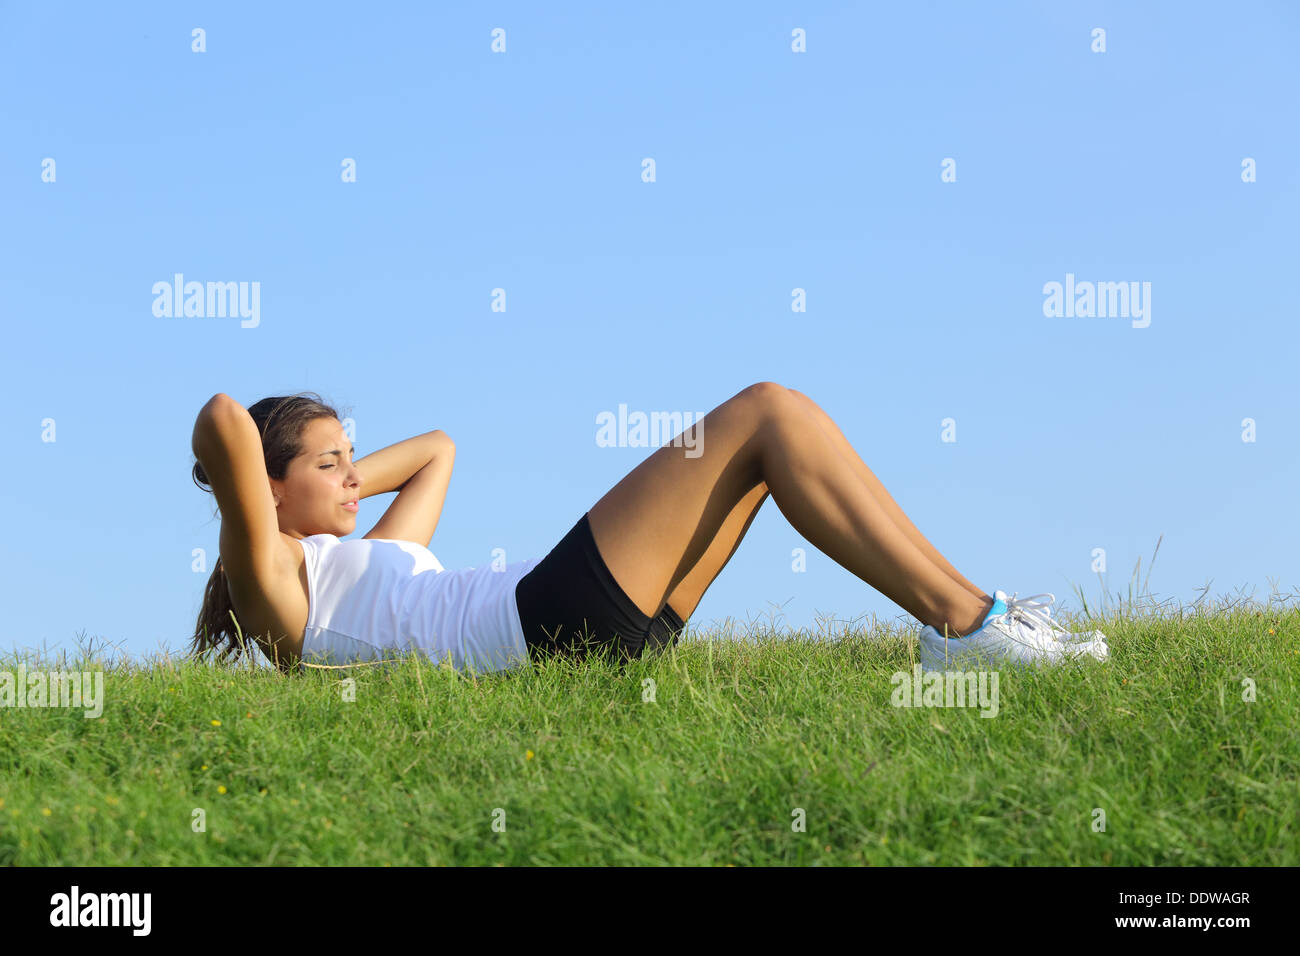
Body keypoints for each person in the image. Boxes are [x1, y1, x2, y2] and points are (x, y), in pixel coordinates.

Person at [189, 383, 1108, 676]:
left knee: (762, 454)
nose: (355, 477)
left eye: (354, 460)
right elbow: (227, 416)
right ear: (262, 494)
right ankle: (967, 627)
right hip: (537, 625)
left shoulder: (360, 562)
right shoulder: (276, 585)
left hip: (566, 627)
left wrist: (330, 471)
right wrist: (255, 502)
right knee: (769, 414)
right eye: (330, 466)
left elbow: (438, 450)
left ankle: (974, 622)